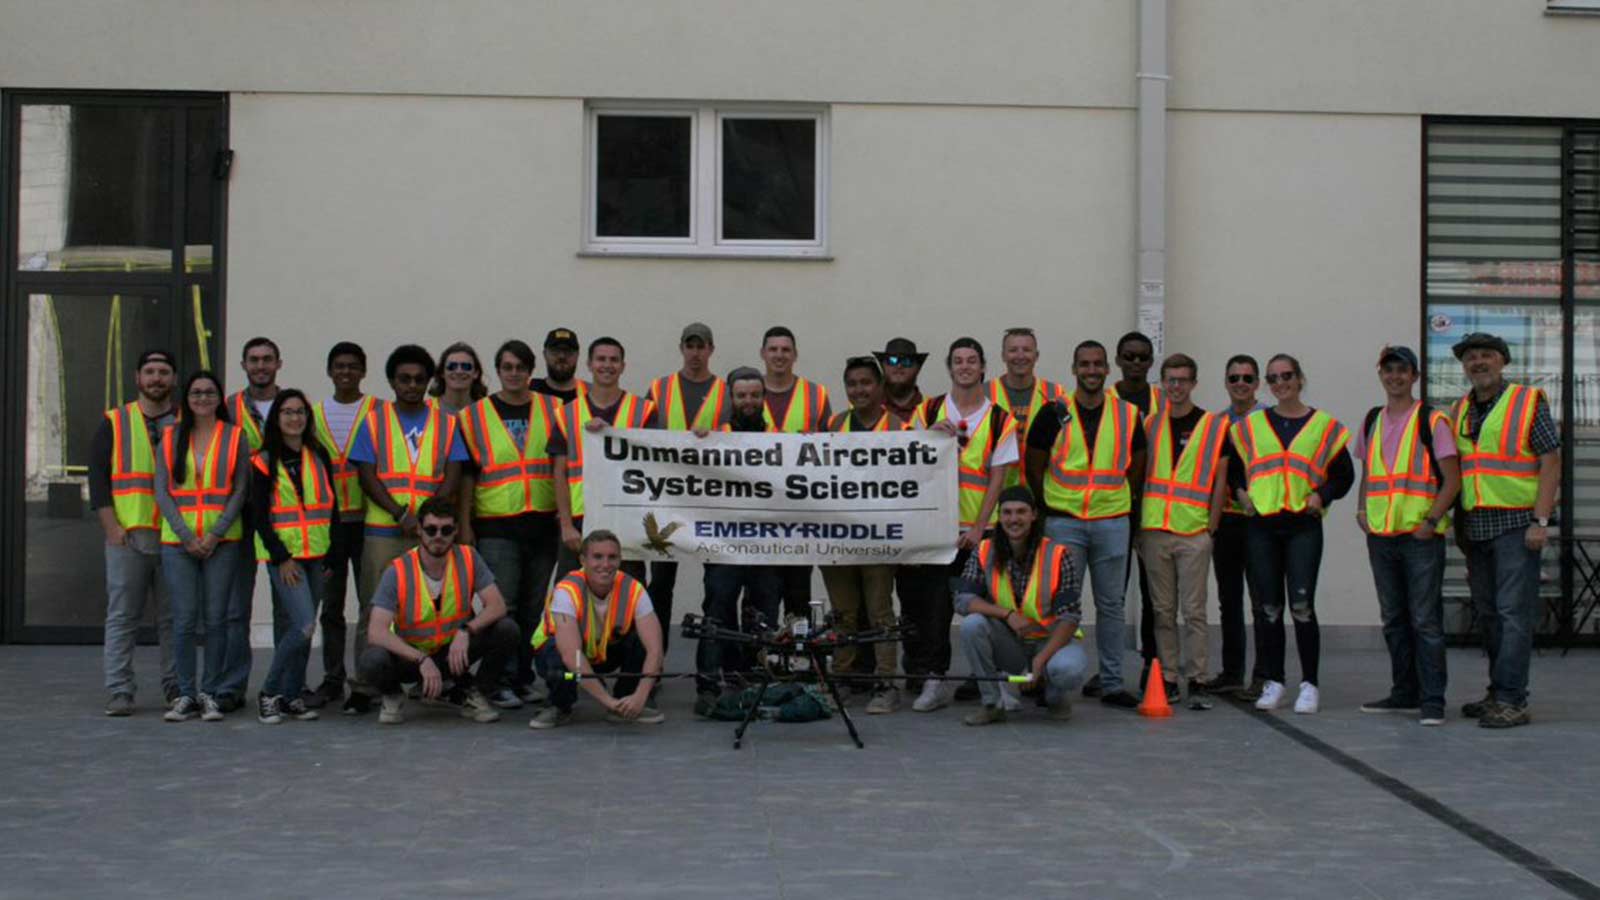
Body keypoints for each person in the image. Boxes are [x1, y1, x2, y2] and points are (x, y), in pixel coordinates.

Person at [344, 344, 468, 714]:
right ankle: (366, 686)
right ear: (392, 381)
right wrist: (401, 514)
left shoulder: (446, 423)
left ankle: (437, 678)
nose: (412, 385)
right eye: (404, 379)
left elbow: (453, 473)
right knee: (374, 609)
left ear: (429, 381)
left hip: (432, 536)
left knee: (436, 606)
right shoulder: (374, 420)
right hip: (384, 530)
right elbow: (366, 475)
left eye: (418, 379)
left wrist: (429, 519)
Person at [1228, 353, 1352, 714]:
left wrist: (1322, 495)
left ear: (1300, 379)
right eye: (1273, 378)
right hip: (1262, 524)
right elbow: (1234, 468)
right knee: (1268, 608)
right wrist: (1240, 493)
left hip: (1302, 525)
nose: (1280, 383)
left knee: (1301, 606)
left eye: (1287, 376)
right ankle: (1274, 681)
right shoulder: (1250, 427)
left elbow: (1343, 474)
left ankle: (1310, 684)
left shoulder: (1324, 426)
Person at [1025, 339, 1145, 710]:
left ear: (1107, 370)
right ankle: (1054, 680)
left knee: (1111, 605)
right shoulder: (1054, 412)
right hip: (1065, 523)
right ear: (1074, 370)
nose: (1091, 371)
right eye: (1084, 365)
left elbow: (1138, 461)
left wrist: (1125, 505)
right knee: (1061, 606)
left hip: (1112, 522)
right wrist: (1047, 507)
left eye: (1097, 365)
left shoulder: (1127, 414)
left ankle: (1111, 683)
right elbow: (1034, 462)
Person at [1450, 332, 1560, 729]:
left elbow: (1550, 461)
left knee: (1514, 613)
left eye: (1486, 356)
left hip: (1517, 523)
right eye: (1471, 357)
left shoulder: (1527, 402)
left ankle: (1514, 699)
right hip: (1476, 525)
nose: (1478, 362)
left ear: (1502, 361)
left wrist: (1541, 520)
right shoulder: (1459, 408)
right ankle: (1498, 692)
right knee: (1491, 615)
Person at [908, 337, 1018, 712]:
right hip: (937, 530)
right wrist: (926, 438)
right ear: (950, 367)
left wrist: (979, 528)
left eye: (972, 360)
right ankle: (934, 679)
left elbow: (998, 479)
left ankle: (996, 681)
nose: (966, 366)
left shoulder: (1001, 418)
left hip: (980, 531)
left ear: (983, 367)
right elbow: (907, 464)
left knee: (987, 607)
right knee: (934, 609)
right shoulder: (928, 410)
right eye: (958, 361)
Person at [1354, 346, 1460, 726]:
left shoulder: (1432, 421)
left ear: (1414, 376)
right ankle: (1404, 693)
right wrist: (1363, 509)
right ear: (1380, 374)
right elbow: (1370, 472)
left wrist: (1431, 521)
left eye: (1402, 370)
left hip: (1420, 537)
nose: (1394, 377)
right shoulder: (1371, 420)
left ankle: (1432, 700)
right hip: (1382, 534)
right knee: (1394, 618)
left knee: (1425, 619)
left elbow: (1453, 479)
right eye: (1388, 370)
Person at [456, 339, 564, 710]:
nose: (514, 373)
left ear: (531, 371)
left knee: (534, 610)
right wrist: (465, 524)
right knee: (504, 607)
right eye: (507, 367)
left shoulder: (554, 409)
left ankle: (521, 677)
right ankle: (496, 679)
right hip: (496, 525)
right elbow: (467, 475)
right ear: (497, 371)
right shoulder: (474, 415)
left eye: (520, 367)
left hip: (542, 523)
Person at [358, 497, 518, 725]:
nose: (438, 537)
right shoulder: (398, 570)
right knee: (371, 660)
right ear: (420, 531)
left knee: (507, 629)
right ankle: (393, 696)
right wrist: (421, 659)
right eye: (431, 530)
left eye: (446, 530)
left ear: (456, 531)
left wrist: (466, 631)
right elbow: (376, 632)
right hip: (411, 658)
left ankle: (475, 694)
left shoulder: (469, 557)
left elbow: (497, 605)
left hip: (453, 652)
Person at [157, 371, 251, 722]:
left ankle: (209, 692)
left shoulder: (235, 436)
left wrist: (214, 534)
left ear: (219, 398)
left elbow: (240, 490)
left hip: (221, 542)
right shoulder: (171, 437)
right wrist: (185, 535)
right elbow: (161, 491)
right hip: (178, 543)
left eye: (210, 392)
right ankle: (184, 694)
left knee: (216, 621)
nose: (202, 398)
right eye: (196, 392)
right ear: (186, 397)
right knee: (183, 621)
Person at [1136, 354, 1230, 702]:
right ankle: (1170, 675)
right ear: (1162, 383)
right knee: (1162, 610)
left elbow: (1221, 480)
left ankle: (1199, 676)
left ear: (1194, 383)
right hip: (1155, 529)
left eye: (1182, 380)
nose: (1176, 387)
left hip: (1194, 531)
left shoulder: (1214, 426)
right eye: (1170, 380)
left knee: (1194, 611)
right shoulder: (1150, 424)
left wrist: (1212, 526)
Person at [692, 367, 785, 716]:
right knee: (717, 609)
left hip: (768, 544)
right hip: (724, 543)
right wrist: (696, 441)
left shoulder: (782, 439)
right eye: (741, 395)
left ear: (763, 398)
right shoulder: (715, 437)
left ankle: (757, 677)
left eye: (754, 395)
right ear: (731, 398)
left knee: (764, 612)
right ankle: (708, 684)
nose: (748, 402)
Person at [956, 486, 1089, 725]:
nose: (1013, 519)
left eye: (1021, 512)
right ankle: (992, 705)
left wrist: (1040, 661)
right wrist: (1006, 614)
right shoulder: (984, 550)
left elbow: (1070, 618)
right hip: (1012, 645)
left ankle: (1055, 697)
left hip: (1049, 645)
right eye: (1007, 513)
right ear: (999, 516)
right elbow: (963, 600)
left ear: (1034, 515)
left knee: (1068, 669)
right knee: (971, 625)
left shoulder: (1058, 553)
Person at [93, 349, 180, 716]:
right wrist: (111, 527)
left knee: (173, 620)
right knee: (123, 617)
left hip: (174, 537)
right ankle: (119, 690)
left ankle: (176, 688)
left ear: (173, 379)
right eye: (150, 371)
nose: (156, 378)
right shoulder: (115, 421)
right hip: (128, 536)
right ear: (137, 378)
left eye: (163, 372)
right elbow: (98, 478)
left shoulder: (186, 421)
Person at [821, 356, 906, 714]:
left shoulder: (900, 429)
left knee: (880, 612)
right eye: (852, 384)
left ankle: (886, 683)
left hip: (879, 538)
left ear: (880, 386)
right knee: (843, 614)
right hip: (838, 538)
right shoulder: (834, 425)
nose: (859, 390)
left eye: (866, 383)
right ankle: (842, 678)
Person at [249, 389, 336, 724]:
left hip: (317, 553)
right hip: (285, 557)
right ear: (277, 418)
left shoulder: (318, 455)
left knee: (303, 626)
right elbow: (259, 515)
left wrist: (331, 554)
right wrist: (282, 556)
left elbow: (332, 508)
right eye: (287, 412)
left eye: (300, 412)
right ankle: (269, 692)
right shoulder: (263, 459)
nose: (295, 418)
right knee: (302, 625)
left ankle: (291, 694)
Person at [645, 322, 732, 653]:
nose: (696, 353)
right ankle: (654, 662)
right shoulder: (659, 388)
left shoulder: (726, 391)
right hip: (668, 501)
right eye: (690, 346)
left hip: (712, 502)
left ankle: (710, 668)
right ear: (681, 348)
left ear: (711, 349)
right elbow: (638, 437)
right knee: (661, 585)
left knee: (717, 586)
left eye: (702, 346)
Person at [530, 530, 666, 729]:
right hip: (569, 662)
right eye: (597, 557)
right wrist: (607, 701)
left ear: (620, 559)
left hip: (605, 654)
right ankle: (560, 705)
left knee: (643, 644)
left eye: (612, 557)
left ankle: (627, 702)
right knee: (562, 670)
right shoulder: (566, 590)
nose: (605, 564)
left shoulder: (634, 589)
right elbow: (571, 655)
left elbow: (655, 650)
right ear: (583, 560)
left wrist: (641, 695)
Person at [305, 341, 374, 708]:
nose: (345, 372)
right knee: (330, 607)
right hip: (328, 525)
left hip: (368, 522)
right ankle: (333, 678)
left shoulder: (378, 411)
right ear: (329, 371)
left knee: (372, 606)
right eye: (339, 366)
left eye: (352, 366)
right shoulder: (313, 416)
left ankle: (367, 680)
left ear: (363, 371)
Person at [553, 336, 655, 581]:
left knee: (629, 595)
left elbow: (655, 466)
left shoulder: (644, 410)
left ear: (623, 366)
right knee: (570, 595)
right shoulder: (566, 414)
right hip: (580, 522)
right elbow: (559, 473)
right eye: (601, 359)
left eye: (614, 360)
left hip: (626, 521)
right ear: (588, 364)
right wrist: (565, 525)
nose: (607, 365)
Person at [216, 336, 281, 709]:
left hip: (282, 517)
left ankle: (285, 687)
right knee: (235, 608)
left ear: (278, 363)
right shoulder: (227, 408)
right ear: (243, 365)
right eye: (254, 359)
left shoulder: (294, 406)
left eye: (267, 359)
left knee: (286, 611)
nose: (260, 366)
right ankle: (232, 686)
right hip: (239, 514)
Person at [1201, 354, 1268, 697]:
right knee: (1229, 600)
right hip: (1226, 520)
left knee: (1262, 602)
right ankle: (1231, 672)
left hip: (1260, 522)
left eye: (1247, 378)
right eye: (1233, 378)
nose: (1240, 384)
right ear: (1226, 383)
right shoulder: (1215, 423)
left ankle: (1262, 676)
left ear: (1257, 384)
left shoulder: (1270, 420)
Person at [761, 326, 833, 623]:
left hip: (800, 515)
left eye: (785, 350)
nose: (779, 355)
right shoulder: (748, 391)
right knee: (761, 595)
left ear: (795, 355)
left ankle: (797, 662)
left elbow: (831, 450)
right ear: (763, 354)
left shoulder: (815, 395)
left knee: (797, 592)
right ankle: (756, 663)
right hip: (759, 515)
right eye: (773, 349)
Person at [1106, 331, 1164, 690]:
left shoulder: (1163, 401)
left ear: (1151, 361)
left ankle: (1152, 666)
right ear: (1118, 360)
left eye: (1143, 358)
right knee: (1111, 595)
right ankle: (1109, 670)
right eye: (1129, 357)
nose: (1136, 364)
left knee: (1153, 594)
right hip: (1112, 509)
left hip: (1155, 510)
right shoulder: (1105, 398)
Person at [987, 327, 1065, 488]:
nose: (1020, 356)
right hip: (997, 492)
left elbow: (1067, 442)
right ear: (1003, 356)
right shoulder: (984, 393)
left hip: (1040, 491)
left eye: (1027, 350)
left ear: (1036, 356)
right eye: (1013, 350)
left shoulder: (1056, 393)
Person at [875, 337, 928, 424]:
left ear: (918, 368)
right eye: (892, 360)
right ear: (883, 366)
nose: (899, 366)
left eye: (907, 361)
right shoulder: (866, 409)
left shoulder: (932, 410)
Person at [430, 341, 487, 418]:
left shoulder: (487, 412)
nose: (459, 371)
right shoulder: (425, 411)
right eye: (452, 366)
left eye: (466, 366)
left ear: (476, 373)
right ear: (442, 373)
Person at [532, 327, 583, 403]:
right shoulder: (528, 390)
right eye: (555, 351)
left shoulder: (591, 395)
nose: (562, 356)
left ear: (577, 355)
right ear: (545, 354)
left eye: (568, 351)